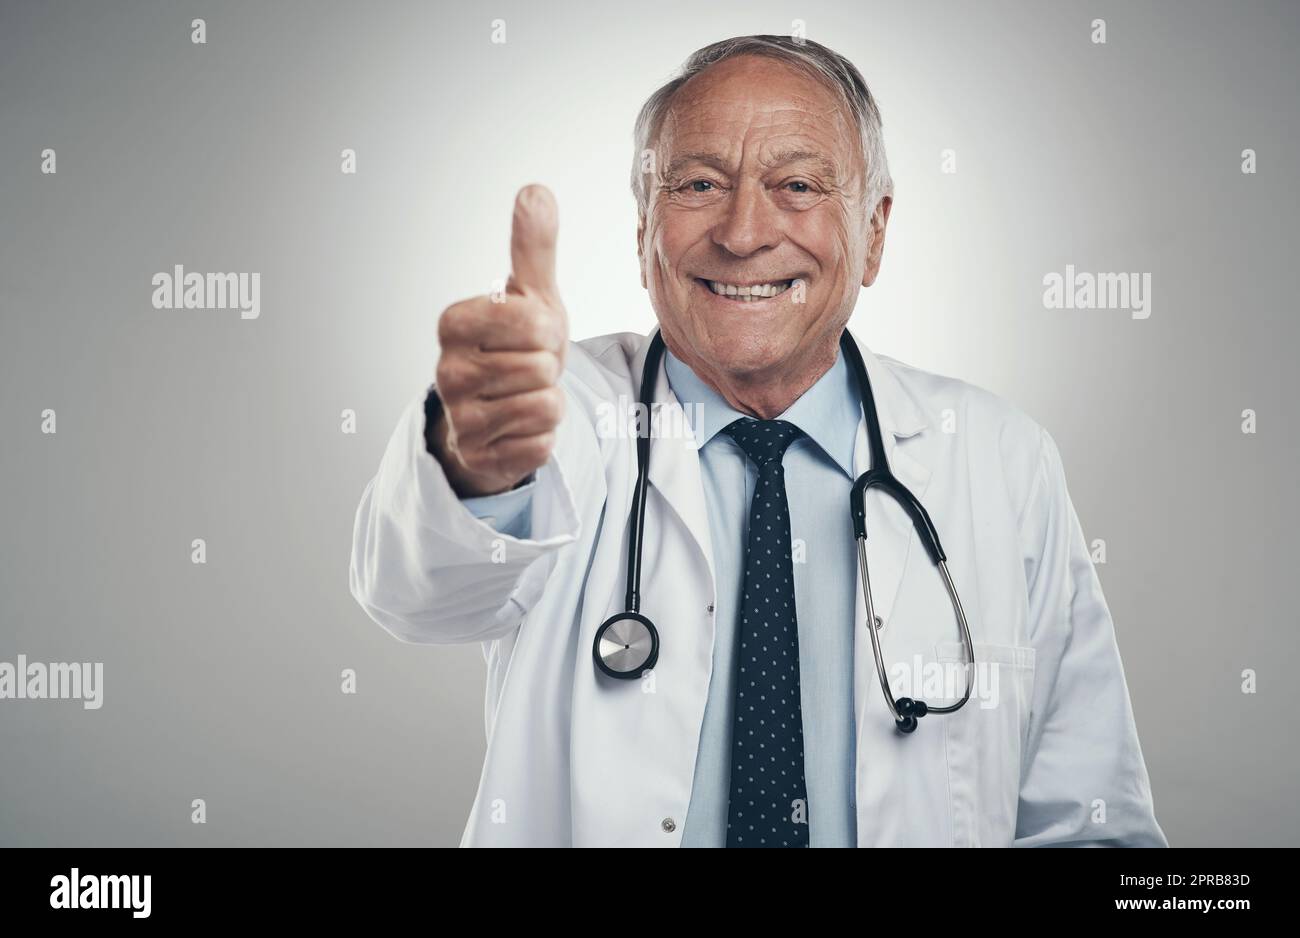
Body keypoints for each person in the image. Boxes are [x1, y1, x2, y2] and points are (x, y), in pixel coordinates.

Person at [349, 35, 1167, 848]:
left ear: (874, 233)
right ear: (643, 231)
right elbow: (419, 595)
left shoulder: (998, 457)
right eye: (700, 183)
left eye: (798, 185)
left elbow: (1090, 823)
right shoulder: (564, 415)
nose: (743, 233)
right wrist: (480, 469)